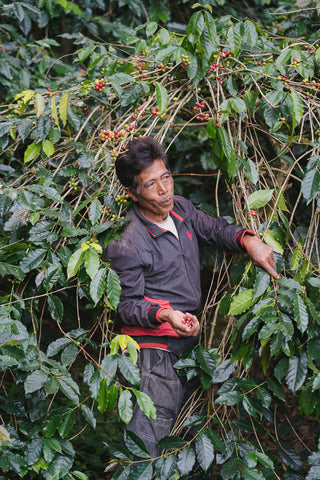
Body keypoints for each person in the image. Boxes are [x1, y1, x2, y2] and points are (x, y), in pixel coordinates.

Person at [106, 136, 279, 458]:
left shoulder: (181, 208)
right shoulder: (127, 242)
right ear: (131, 193)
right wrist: (166, 314)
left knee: (179, 436)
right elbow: (126, 305)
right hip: (152, 350)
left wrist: (250, 241)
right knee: (146, 443)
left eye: (166, 177)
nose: (164, 190)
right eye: (151, 185)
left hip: (186, 339)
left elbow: (215, 229)